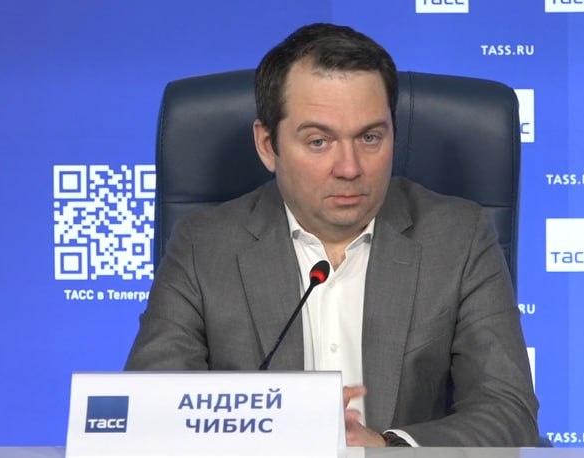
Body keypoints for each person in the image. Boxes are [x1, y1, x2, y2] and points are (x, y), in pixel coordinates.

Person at [125, 22, 539, 447]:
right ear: (267, 145)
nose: (349, 168)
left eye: (370, 137)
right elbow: (150, 410)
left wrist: (387, 447)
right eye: (319, 141)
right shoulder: (203, 246)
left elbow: (509, 411)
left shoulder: (459, 238)